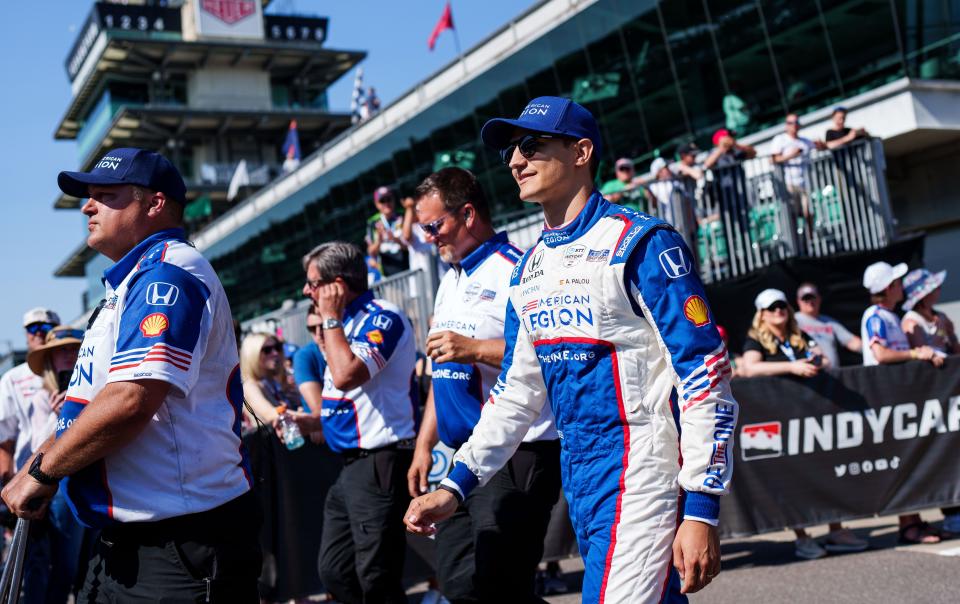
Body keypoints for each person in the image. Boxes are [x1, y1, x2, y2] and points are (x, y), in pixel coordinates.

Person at [404, 96, 737, 603]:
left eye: (532, 145)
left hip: (640, 467)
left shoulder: (641, 243)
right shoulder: (529, 268)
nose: (516, 160)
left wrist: (700, 508)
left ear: (581, 152)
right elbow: (516, 394)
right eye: (512, 151)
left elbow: (705, 373)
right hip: (580, 470)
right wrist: (454, 487)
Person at [1, 148, 261, 601]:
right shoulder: (127, 284)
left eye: (105, 195)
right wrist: (41, 458)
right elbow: (85, 405)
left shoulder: (168, 272)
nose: (88, 206)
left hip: (178, 542)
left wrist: (42, 472)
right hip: (128, 542)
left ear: (155, 204)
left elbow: (131, 399)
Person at [406, 167, 561, 603]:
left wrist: (472, 348)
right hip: (463, 458)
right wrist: (424, 445)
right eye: (423, 230)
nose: (430, 238)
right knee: (459, 584)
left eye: (435, 226)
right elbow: (443, 372)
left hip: (517, 450)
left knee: (499, 588)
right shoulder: (451, 278)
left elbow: (543, 355)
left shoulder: (516, 270)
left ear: (468, 214)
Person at [288, 241, 418, 603]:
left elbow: (346, 375)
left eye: (313, 283)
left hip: (380, 458)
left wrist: (330, 317)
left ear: (337, 286)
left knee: (377, 577)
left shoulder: (383, 316)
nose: (306, 291)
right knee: (334, 570)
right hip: (350, 465)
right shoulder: (344, 324)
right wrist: (312, 420)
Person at [738, 289, 867, 558]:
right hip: (777, 416)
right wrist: (792, 367)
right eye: (772, 308)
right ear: (761, 314)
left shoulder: (799, 336)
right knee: (791, 475)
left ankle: (836, 528)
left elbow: (824, 358)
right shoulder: (756, 339)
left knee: (825, 467)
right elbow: (750, 368)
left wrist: (815, 361)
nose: (778, 311)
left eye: (782, 306)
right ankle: (802, 535)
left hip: (808, 414)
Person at [860, 261, 945, 544]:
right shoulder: (876, 315)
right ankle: (908, 526)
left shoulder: (890, 316)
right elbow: (880, 354)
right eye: (896, 281)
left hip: (899, 400)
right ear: (888, 288)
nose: (901, 285)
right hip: (885, 401)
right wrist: (916, 354)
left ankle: (915, 521)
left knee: (911, 460)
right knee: (902, 463)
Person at [2, 324, 85, 604]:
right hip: (33, 482)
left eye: (75, 348)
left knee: (67, 564)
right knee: (32, 564)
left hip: (70, 483)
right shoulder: (26, 390)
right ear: (49, 357)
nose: (70, 355)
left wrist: (74, 414)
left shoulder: (92, 390)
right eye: (62, 349)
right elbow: (16, 441)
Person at [900, 268, 960, 535]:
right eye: (932, 288)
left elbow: (955, 352)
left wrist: (947, 332)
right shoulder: (910, 320)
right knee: (940, 454)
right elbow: (922, 352)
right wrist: (937, 336)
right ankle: (951, 512)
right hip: (930, 398)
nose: (938, 290)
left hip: (952, 395)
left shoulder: (942, 317)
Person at [0, 308, 61, 482]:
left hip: (67, 466)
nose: (40, 332)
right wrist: (7, 482)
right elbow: (5, 439)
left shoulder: (73, 369)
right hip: (26, 472)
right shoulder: (12, 379)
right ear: (26, 334)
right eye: (33, 328)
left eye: (48, 327)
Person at [771, 114, 824, 234]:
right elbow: (773, 159)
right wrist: (791, 155)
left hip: (804, 183)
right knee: (793, 215)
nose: (794, 125)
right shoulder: (780, 139)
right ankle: (797, 243)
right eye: (791, 123)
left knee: (808, 212)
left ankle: (810, 239)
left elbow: (820, 146)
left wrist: (820, 144)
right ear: (786, 125)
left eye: (796, 123)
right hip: (789, 184)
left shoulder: (804, 141)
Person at [794, 283, 862, 368]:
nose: (810, 302)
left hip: (833, 375)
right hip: (808, 374)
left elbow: (852, 342)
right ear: (798, 301)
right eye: (805, 298)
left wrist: (872, 348)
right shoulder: (793, 320)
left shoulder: (829, 322)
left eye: (812, 297)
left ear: (819, 299)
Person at [240, 332, 298, 426]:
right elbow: (271, 414)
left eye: (277, 347)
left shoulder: (275, 380)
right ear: (252, 355)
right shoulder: (250, 386)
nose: (275, 353)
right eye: (267, 350)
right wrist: (311, 419)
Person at [366, 185, 409, 277]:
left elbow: (410, 246)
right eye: (382, 201)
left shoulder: (403, 216)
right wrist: (379, 241)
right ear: (377, 204)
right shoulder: (372, 223)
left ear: (393, 200)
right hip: (387, 276)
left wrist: (395, 239)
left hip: (408, 270)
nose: (386, 203)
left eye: (388, 199)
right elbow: (371, 252)